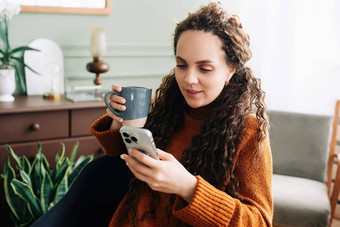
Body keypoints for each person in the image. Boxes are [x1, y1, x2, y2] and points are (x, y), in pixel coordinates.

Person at [32, 2, 272, 227]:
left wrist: (188, 187)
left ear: (230, 69)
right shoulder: (169, 108)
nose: (189, 79)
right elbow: (119, 167)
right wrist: (121, 122)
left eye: (205, 68)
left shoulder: (248, 131)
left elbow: (259, 221)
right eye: (181, 65)